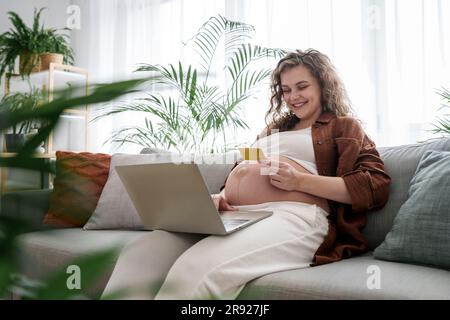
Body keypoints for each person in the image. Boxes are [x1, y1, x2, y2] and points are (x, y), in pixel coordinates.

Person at [102, 49, 391, 300]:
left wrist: (299, 181)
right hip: (236, 215)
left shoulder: (344, 127)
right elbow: (243, 173)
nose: (293, 96)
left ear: (323, 85)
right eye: (286, 90)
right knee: (143, 253)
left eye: (302, 86)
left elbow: (375, 186)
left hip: (294, 216)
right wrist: (220, 197)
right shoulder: (273, 130)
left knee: (195, 268)